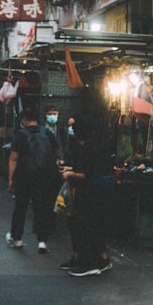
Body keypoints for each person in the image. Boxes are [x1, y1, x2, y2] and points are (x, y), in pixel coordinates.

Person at [60, 117, 112, 276]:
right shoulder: (91, 147)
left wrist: (70, 173)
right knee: (94, 226)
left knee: (85, 226)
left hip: (88, 193)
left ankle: (89, 264)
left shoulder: (88, 149)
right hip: (94, 193)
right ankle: (100, 260)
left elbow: (85, 174)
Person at [7, 108, 61, 254]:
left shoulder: (20, 135)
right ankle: (42, 241)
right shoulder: (47, 133)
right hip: (45, 176)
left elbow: (14, 158)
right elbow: (57, 152)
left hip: (24, 176)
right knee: (42, 207)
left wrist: (11, 178)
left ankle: (17, 238)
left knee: (21, 207)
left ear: (23, 120)